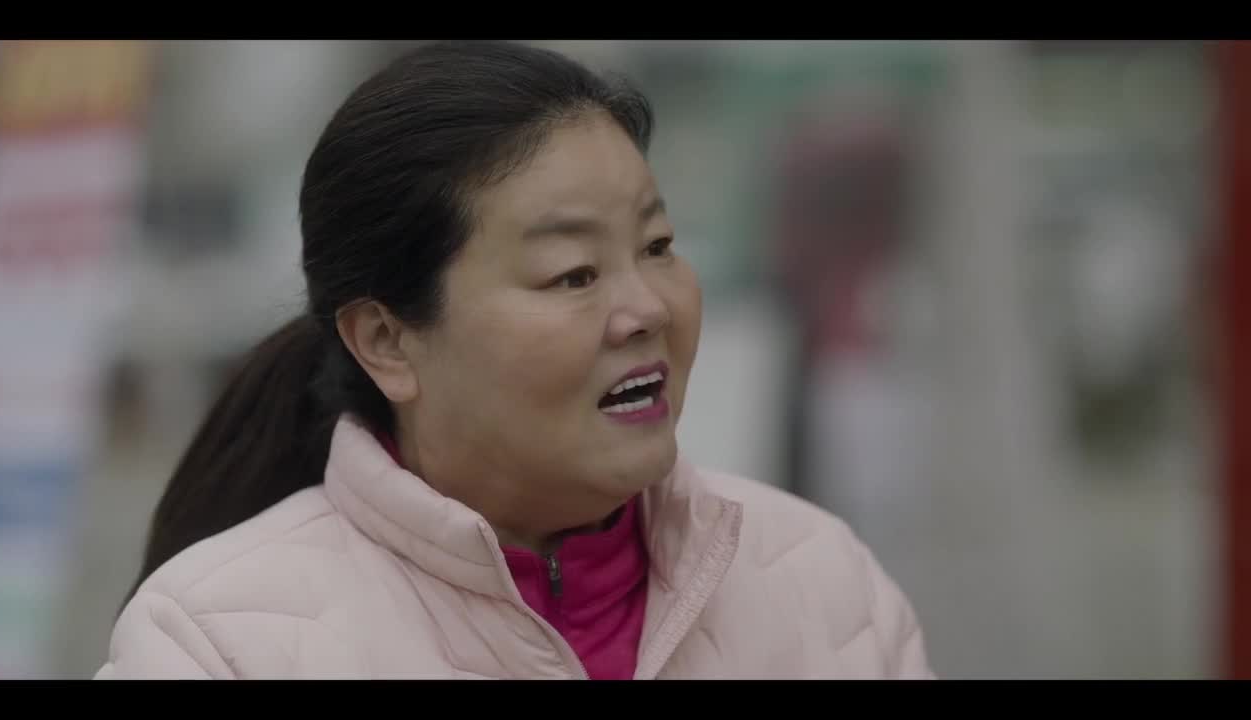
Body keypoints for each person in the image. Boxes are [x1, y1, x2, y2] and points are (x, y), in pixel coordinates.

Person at [95, 40, 934, 680]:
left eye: (657, 246)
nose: (646, 308)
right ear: (386, 341)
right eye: (573, 274)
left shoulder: (822, 581)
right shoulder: (213, 645)